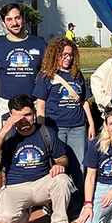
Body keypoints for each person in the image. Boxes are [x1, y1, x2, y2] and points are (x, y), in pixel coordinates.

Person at [0, 95, 73, 223]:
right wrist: (5, 129)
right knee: (5, 217)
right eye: (18, 116)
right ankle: (23, 218)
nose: (23, 120)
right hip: (15, 186)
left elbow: (62, 158)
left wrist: (59, 165)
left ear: (34, 114)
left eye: (27, 115)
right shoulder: (7, 135)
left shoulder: (46, 132)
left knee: (63, 180)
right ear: (11, 115)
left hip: (41, 183)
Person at [0, 3, 48, 173]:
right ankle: (5, 179)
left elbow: (46, 77)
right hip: (7, 105)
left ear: (24, 19)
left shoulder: (40, 45)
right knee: (2, 146)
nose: (14, 23)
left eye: (17, 18)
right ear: (3, 22)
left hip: (34, 105)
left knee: (37, 145)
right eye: (9, 19)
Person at [32, 37, 95, 173]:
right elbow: (41, 106)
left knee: (79, 168)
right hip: (55, 128)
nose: (68, 58)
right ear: (55, 55)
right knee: (58, 167)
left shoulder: (76, 75)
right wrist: (41, 130)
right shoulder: (45, 77)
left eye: (70, 55)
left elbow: (84, 101)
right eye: (64, 54)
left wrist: (91, 124)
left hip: (77, 127)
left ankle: (78, 195)